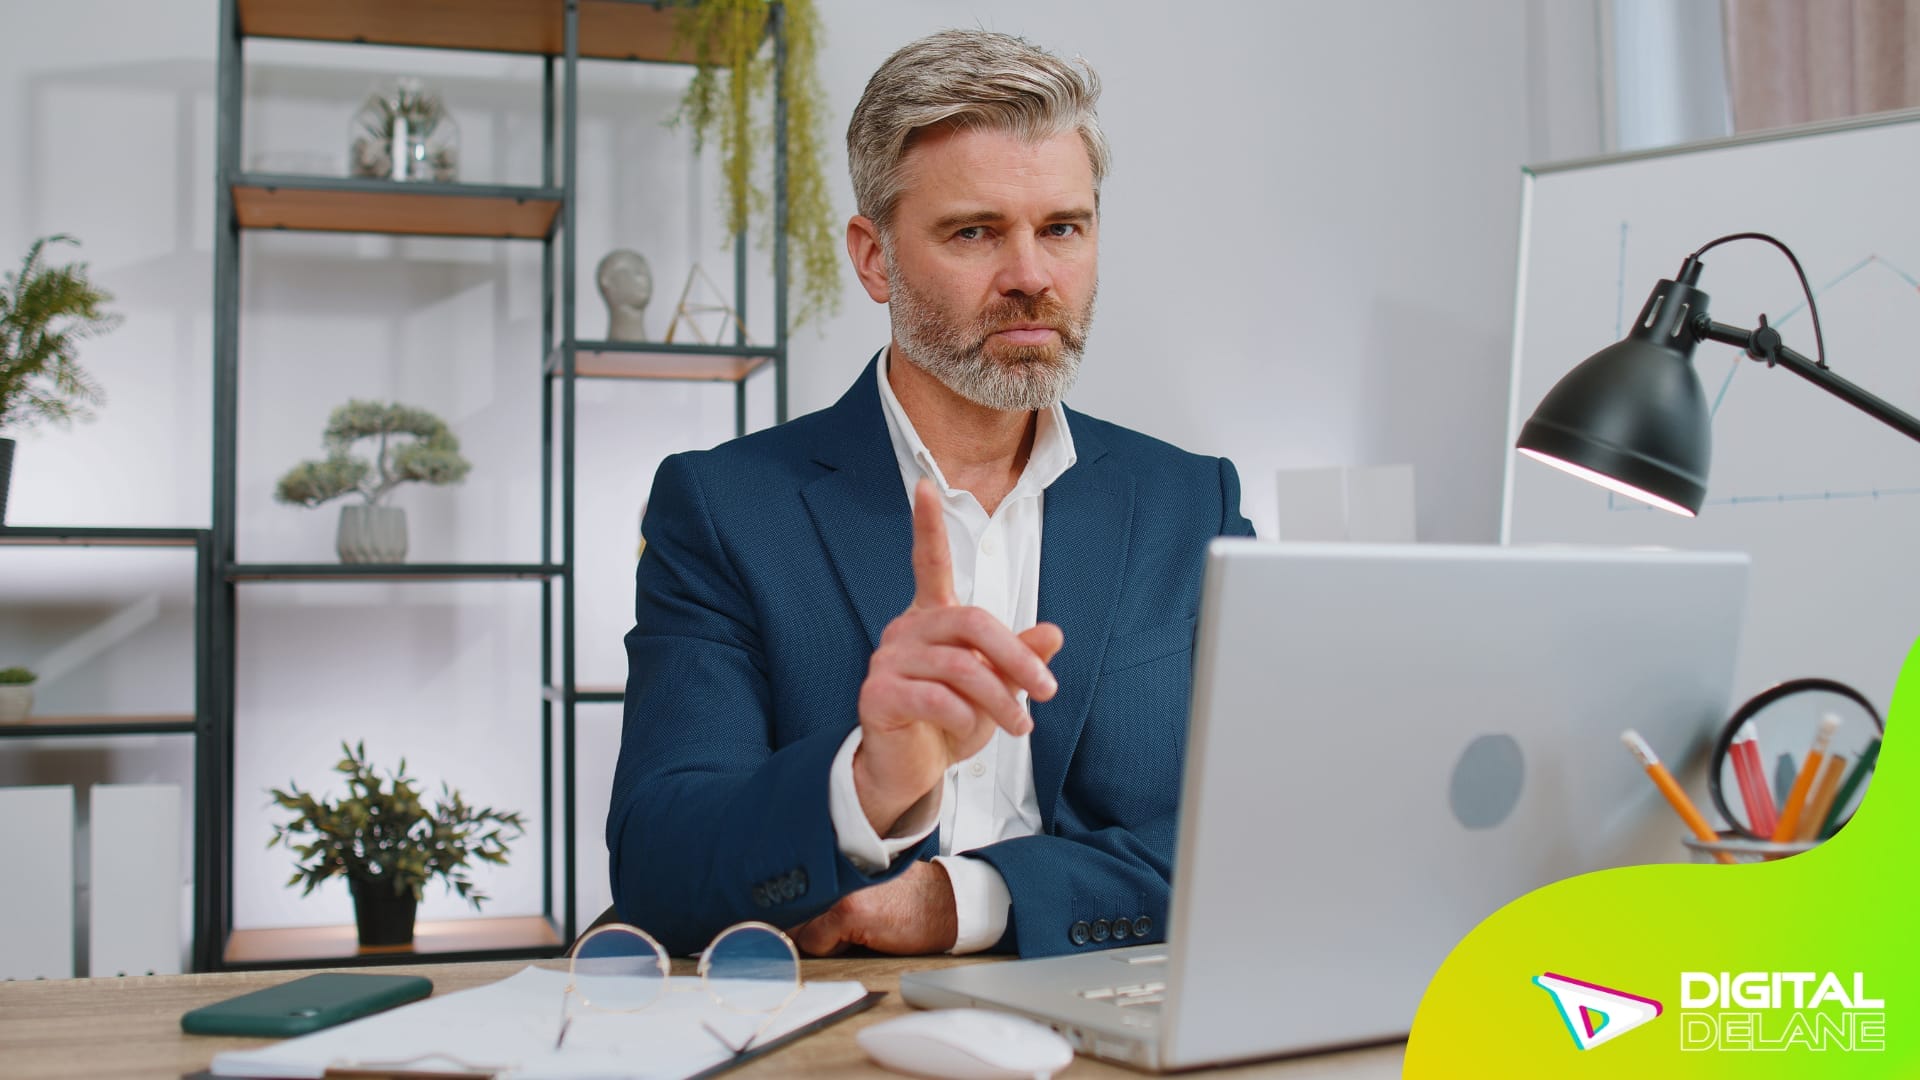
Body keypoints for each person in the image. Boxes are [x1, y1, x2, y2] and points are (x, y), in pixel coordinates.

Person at [608, 28, 1254, 960]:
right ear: (874, 259)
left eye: (1062, 228)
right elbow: (660, 861)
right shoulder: (722, 509)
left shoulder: (1194, 506)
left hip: (1121, 1004)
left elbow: (1252, 832)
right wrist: (865, 785)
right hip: (836, 1027)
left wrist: (963, 900)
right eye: (975, 232)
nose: (1031, 276)